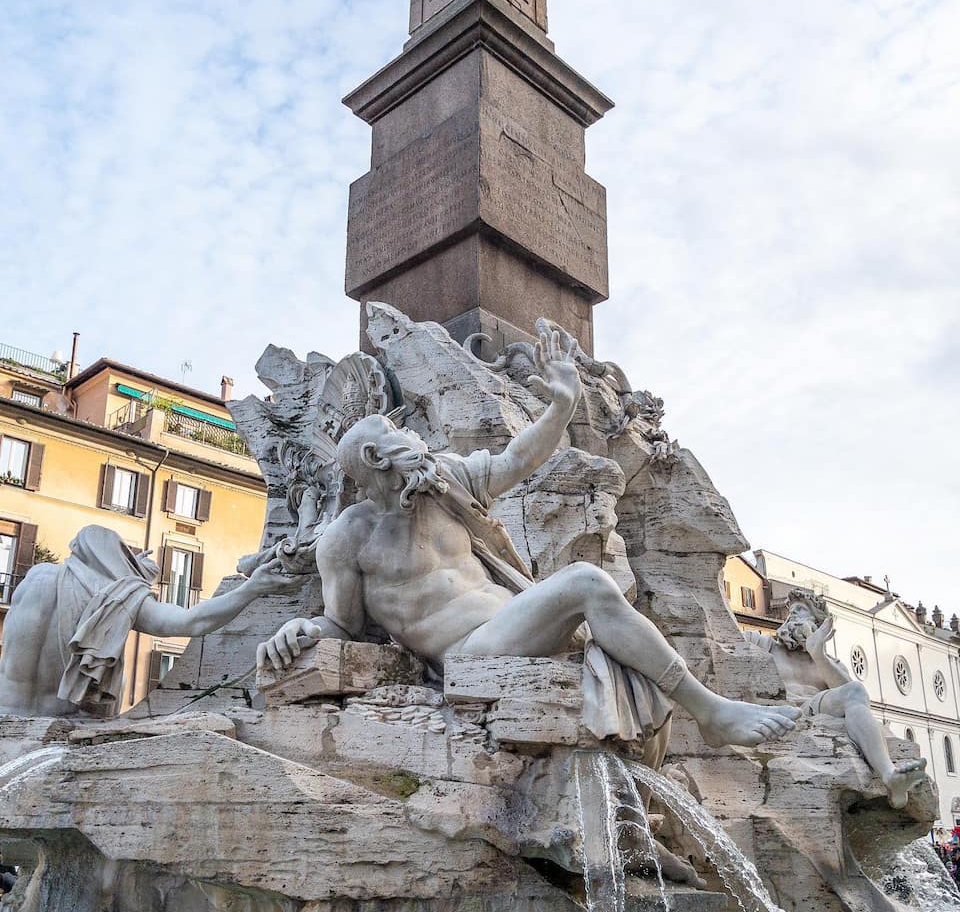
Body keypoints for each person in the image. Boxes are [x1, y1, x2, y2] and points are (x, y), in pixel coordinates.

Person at [259, 331, 801, 751]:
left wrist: (561, 406)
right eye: (399, 434)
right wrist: (299, 627)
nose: (414, 438)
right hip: (468, 654)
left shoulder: (443, 483)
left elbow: (517, 460)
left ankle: (647, 828)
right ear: (377, 459)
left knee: (630, 666)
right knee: (588, 582)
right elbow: (343, 625)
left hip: (515, 624)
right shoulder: (346, 539)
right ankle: (711, 713)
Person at [0, 525, 302, 717]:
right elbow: (193, 622)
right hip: (59, 727)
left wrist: (137, 576)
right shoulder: (117, 596)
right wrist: (253, 587)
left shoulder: (37, 578)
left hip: (7, 718)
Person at [745, 594, 928, 809]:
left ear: (819, 623)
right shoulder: (763, 644)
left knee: (855, 692)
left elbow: (856, 697)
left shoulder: (830, 662)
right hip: (775, 711)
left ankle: (890, 777)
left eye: (801, 609)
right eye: (791, 610)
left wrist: (818, 655)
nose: (792, 613)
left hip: (814, 710)